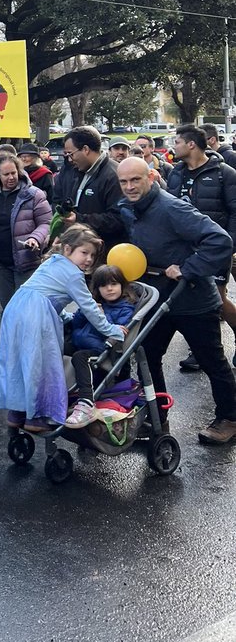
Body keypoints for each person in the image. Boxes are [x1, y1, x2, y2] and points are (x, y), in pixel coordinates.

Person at [117, 156, 236, 444]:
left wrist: (188, 268)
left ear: (151, 177)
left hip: (192, 299)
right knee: (148, 357)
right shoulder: (129, 209)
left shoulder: (172, 208)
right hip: (157, 299)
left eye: (136, 180)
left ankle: (230, 418)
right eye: (124, 182)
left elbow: (220, 241)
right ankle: (157, 416)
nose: (130, 186)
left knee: (212, 362)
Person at [0, 224, 126, 433]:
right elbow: (90, 308)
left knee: (21, 360)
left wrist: (64, 316)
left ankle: (17, 412)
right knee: (43, 363)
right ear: (67, 249)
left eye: (92, 255)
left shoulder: (52, 262)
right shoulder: (73, 274)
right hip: (36, 313)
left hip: (16, 308)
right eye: (84, 253)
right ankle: (36, 416)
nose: (89, 259)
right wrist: (111, 330)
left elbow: (45, 292)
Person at [167, 123, 236, 369]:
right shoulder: (175, 172)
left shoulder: (224, 173)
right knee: (192, 298)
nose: (173, 146)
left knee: (216, 298)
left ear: (191, 144)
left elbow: (234, 211)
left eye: (176, 141)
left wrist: (227, 244)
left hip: (214, 248)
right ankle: (201, 349)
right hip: (185, 248)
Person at [62, 263, 137, 428]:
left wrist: (102, 316)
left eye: (114, 284)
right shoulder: (95, 303)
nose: (109, 289)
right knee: (54, 347)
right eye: (104, 285)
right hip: (80, 340)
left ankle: (86, 402)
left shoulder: (125, 308)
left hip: (101, 348)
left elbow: (118, 333)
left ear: (122, 286)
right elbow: (76, 324)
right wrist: (85, 311)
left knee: (80, 357)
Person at [0, 154, 51, 313]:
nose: (11, 177)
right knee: (9, 309)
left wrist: (35, 238)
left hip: (26, 262)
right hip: (0, 263)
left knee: (26, 309)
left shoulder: (34, 194)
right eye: (6, 174)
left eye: (13, 173)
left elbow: (46, 223)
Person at [54, 126, 125, 248]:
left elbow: (118, 219)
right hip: (75, 247)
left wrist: (80, 219)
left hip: (103, 252)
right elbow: (58, 200)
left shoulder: (114, 175)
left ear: (86, 149)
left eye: (71, 154)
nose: (69, 160)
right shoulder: (72, 170)